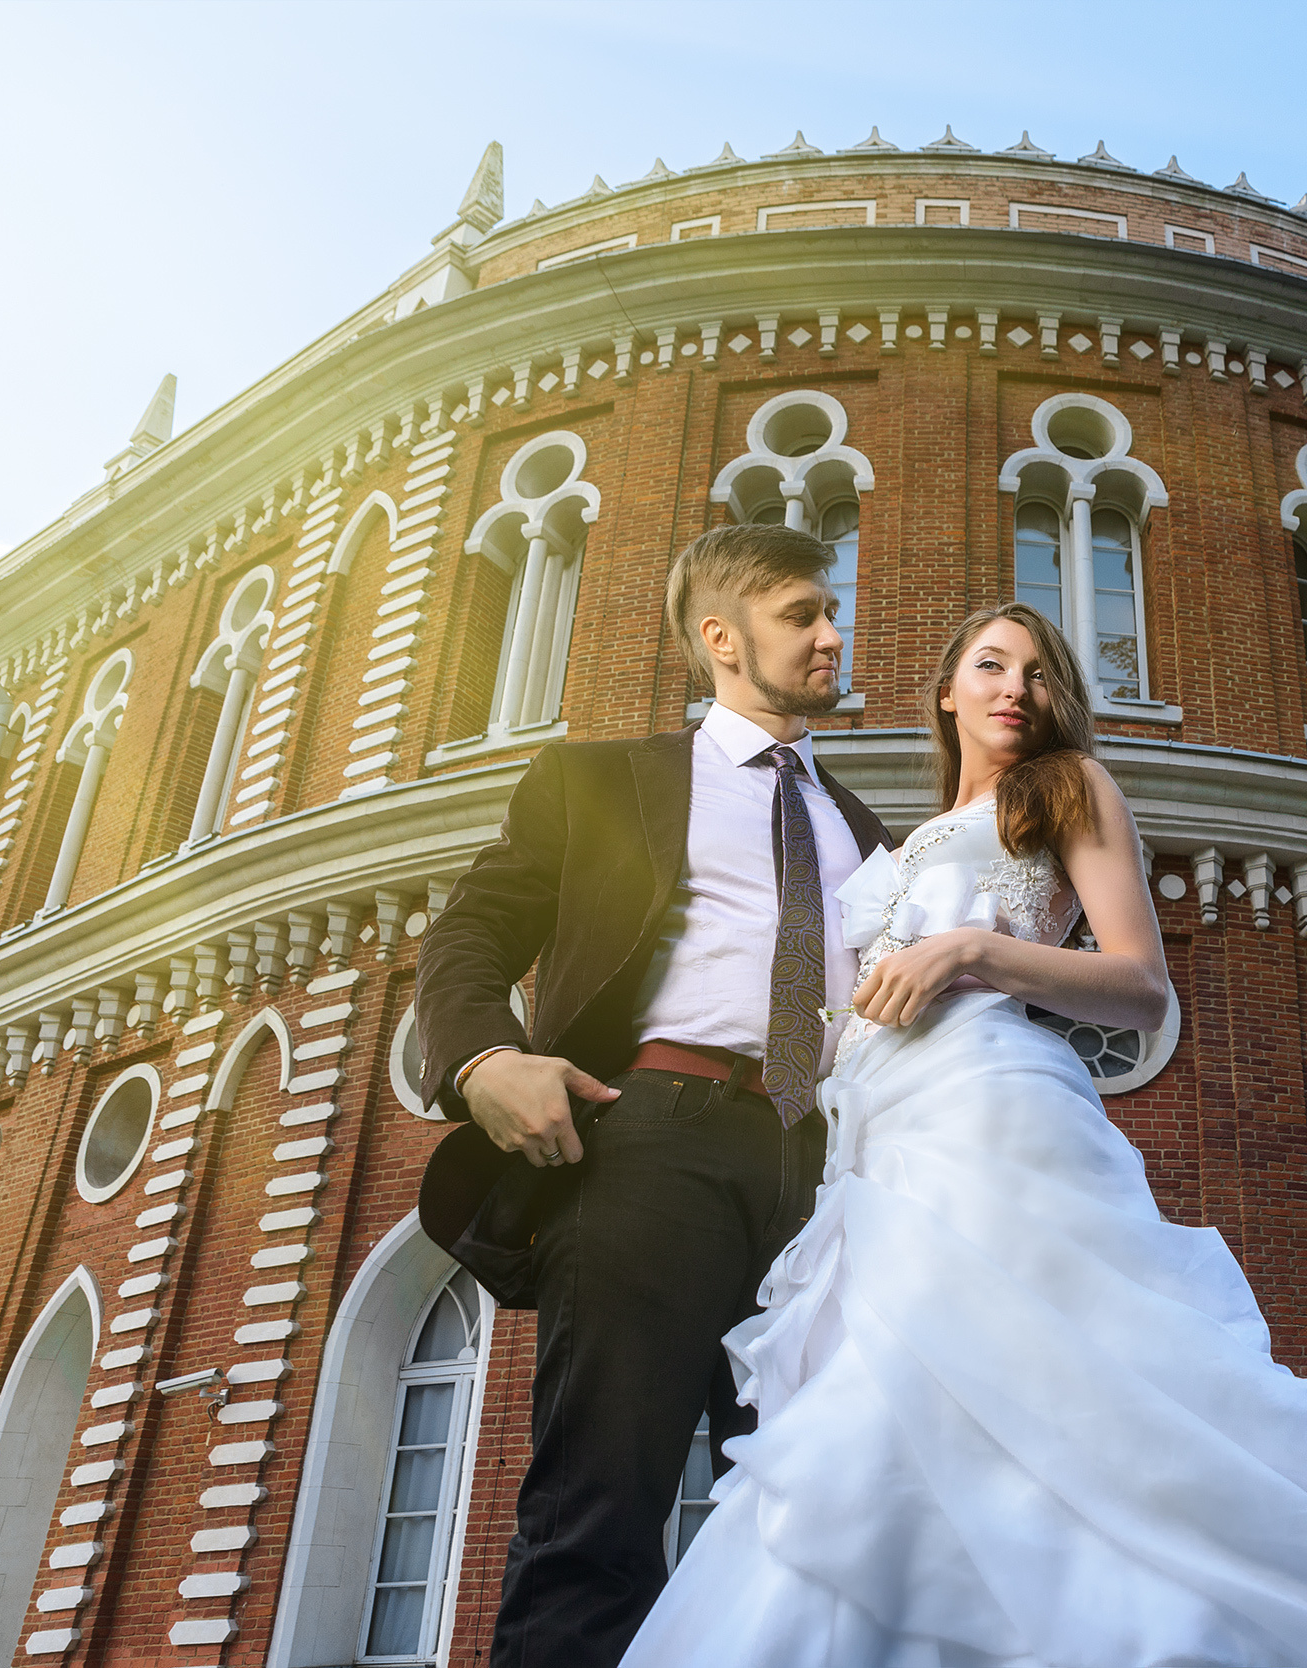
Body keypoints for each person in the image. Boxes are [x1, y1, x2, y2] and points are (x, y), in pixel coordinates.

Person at [620, 603, 1307, 1668]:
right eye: (990, 665)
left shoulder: (1069, 787)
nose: (1016, 687)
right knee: (903, 1405)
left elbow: (1140, 987)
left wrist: (971, 952)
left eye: (1039, 672)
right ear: (947, 692)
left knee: (992, 1382)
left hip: (985, 1109)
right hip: (872, 1139)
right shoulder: (905, 838)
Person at [413, 523, 892, 1668]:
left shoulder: (866, 831)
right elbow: (471, 935)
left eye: (831, 613)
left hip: (825, 1173)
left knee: (814, 1523)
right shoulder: (595, 781)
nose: (831, 635)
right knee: (598, 1515)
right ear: (722, 638)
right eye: (802, 615)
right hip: (652, 1144)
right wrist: (482, 1061)